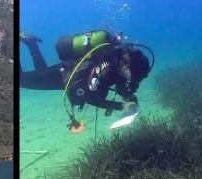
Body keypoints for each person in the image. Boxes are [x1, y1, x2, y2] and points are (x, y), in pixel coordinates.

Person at [19, 29, 154, 132]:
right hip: (64, 76)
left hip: (71, 71)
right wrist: (120, 106)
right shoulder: (106, 68)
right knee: (22, 81)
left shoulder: (117, 61)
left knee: (40, 73)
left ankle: (31, 44)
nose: (132, 80)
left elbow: (120, 84)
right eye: (133, 76)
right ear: (127, 65)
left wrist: (129, 97)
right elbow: (90, 98)